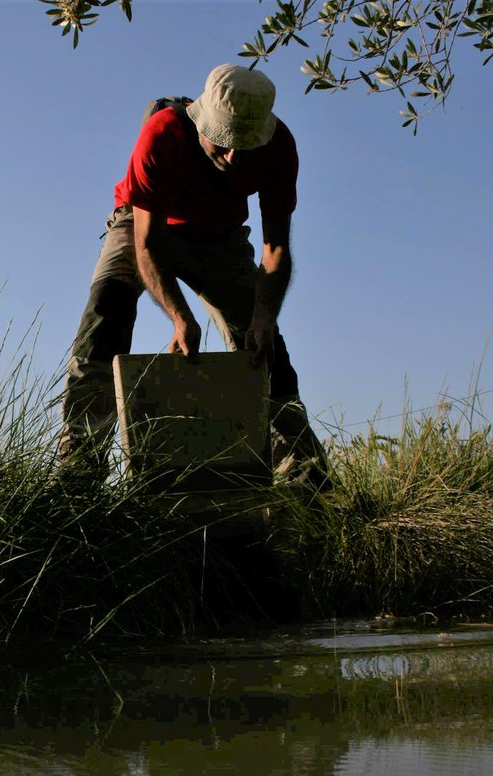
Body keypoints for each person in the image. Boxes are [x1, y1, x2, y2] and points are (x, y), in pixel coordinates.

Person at [58, 63, 330, 488]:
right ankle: (78, 472)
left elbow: (276, 249)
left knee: (263, 344)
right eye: (223, 142)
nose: (234, 156)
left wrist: (263, 316)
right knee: (104, 317)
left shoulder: (279, 147)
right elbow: (147, 247)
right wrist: (180, 317)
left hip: (219, 238)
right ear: (201, 120)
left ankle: (305, 477)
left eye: (246, 144)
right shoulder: (163, 134)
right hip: (144, 225)